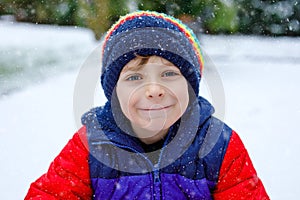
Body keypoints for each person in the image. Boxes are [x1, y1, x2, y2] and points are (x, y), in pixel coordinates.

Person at [25, 10, 269, 199]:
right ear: (114, 92)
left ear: (190, 87)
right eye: (134, 77)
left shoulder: (218, 145)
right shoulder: (91, 145)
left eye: (169, 74)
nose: (153, 90)